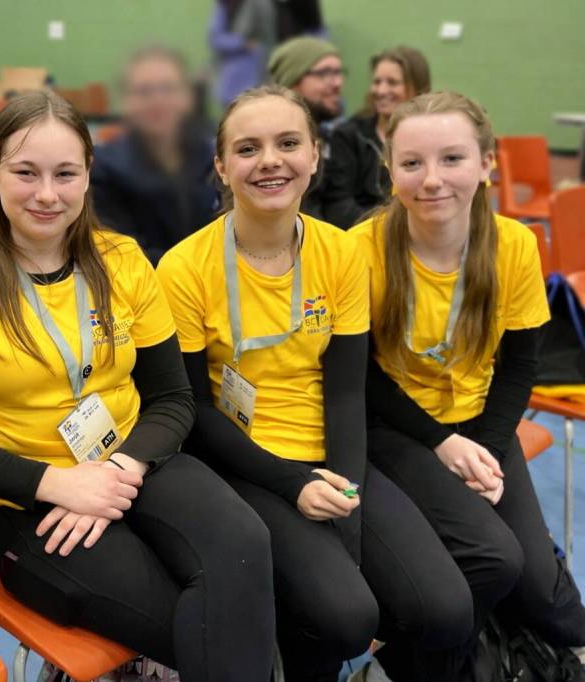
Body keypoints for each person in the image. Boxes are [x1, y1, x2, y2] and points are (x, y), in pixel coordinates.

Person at [0, 90, 276, 681]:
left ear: (87, 175)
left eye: (65, 173)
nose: (47, 194)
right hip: (23, 494)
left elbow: (172, 399)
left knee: (245, 553)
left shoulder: (123, 259)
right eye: (26, 173)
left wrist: (119, 470)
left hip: (131, 462)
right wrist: (59, 485)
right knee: (203, 619)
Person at [157, 85, 474, 682]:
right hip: (244, 463)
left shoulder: (340, 253)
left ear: (315, 156)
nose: (270, 160)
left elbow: (348, 391)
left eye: (288, 143)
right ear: (222, 167)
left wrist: (347, 505)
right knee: (346, 616)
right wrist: (293, 483)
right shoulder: (183, 268)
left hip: (331, 458)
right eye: (248, 148)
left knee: (446, 609)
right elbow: (194, 409)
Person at [352, 90, 585, 676]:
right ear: (390, 170)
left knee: (550, 598)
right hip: (399, 427)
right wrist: (441, 442)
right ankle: (406, 664)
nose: (432, 180)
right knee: (497, 560)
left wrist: (483, 444)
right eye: (412, 163)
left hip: (483, 422)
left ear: (487, 163)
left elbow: (521, 365)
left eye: (452, 159)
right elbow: (362, 377)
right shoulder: (362, 250)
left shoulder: (514, 245)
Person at [91, 45, 220, 264]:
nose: (158, 101)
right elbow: (123, 255)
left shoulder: (214, 158)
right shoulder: (104, 170)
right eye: (144, 91)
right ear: (125, 101)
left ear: (188, 97)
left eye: (168, 88)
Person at [323, 46, 431, 229]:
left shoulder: (433, 135)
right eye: (377, 81)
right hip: (363, 237)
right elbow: (339, 206)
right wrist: (390, 229)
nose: (381, 91)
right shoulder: (348, 136)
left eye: (392, 82)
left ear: (417, 88)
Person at [267, 35, 345, 219]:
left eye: (338, 73)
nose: (337, 83)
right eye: (325, 74)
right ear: (292, 81)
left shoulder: (336, 138)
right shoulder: (269, 149)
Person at [208, 0, 276, 107]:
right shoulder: (224, 6)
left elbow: (269, 38)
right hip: (233, 81)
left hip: (258, 77)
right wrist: (242, 43)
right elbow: (215, 38)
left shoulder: (261, 4)